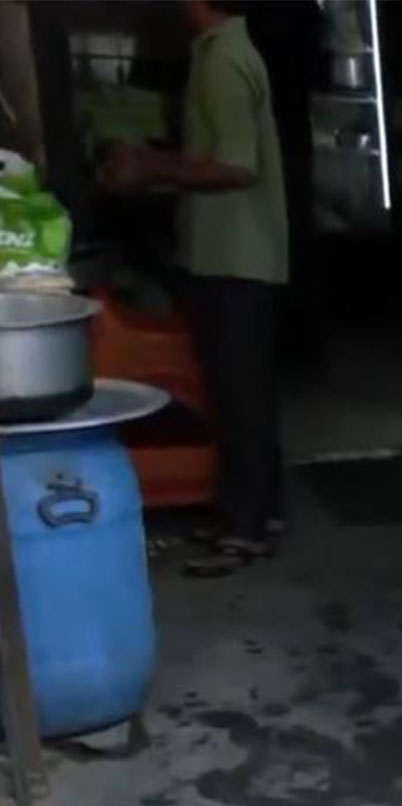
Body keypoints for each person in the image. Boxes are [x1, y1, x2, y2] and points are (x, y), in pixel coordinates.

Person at [105, 0, 288, 577]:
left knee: (239, 395)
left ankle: (246, 529)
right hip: (226, 253)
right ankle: (256, 512)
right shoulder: (221, 52)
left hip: (238, 255)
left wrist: (152, 167)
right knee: (239, 390)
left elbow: (237, 166)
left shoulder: (224, 60)